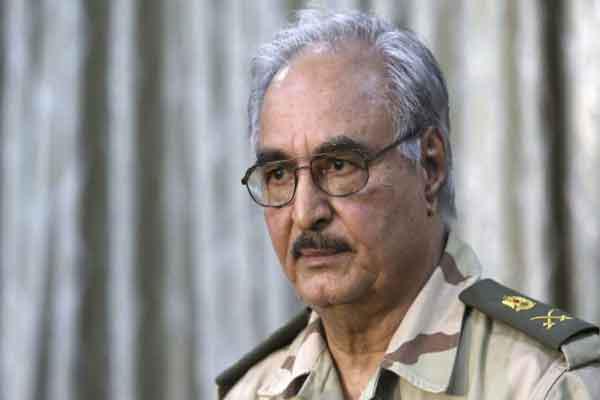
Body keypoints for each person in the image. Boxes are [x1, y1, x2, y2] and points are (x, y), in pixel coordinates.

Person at [216, 9, 600, 400]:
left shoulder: (543, 384)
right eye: (279, 174)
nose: (304, 213)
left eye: (338, 166)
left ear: (430, 166)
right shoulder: (252, 392)